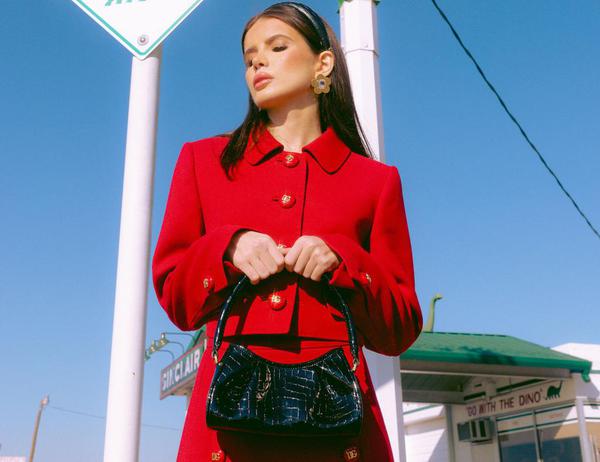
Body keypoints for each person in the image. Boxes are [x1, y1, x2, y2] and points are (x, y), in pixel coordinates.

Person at [152, 2, 423, 461]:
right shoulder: (203, 161)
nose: (258, 61)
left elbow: (398, 329)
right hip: (225, 433)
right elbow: (176, 299)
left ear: (323, 63)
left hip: (339, 433)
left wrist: (344, 260)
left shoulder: (376, 182)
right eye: (249, 57)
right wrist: (226, 248)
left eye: (277, 47)